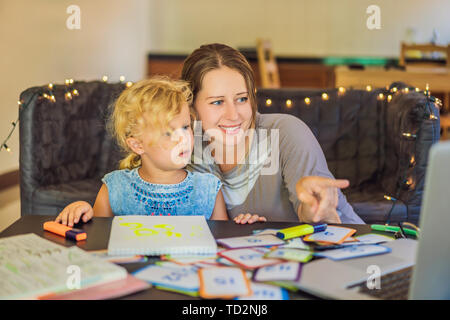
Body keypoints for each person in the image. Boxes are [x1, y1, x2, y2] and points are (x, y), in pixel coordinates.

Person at [182, 43, 364, 225]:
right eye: (217, 102)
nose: (234, 114)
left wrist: (315, 208)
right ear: (191, 107)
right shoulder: (186, 148)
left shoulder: (287, 133)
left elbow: (318, 219)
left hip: (354, 246)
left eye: (242, 99)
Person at [55, 77, 267, 227]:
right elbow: (99, 240)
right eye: (168, 133)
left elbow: (222, 243)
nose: (183, 138)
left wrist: (245, 227)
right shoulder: (114, 188)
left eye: (185, 127)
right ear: (138, 145)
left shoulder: (208, 189)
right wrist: (83, 213)